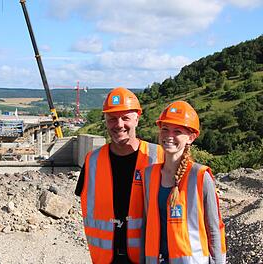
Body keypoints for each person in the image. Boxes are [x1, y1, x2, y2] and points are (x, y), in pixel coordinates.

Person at [75, 87, 164, 264]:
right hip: (106, 258)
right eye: (112, 119)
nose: (119, 124)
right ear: (106, 121)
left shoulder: (158, 157)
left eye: (125, 118)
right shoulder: (92, 161)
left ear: (137, 119)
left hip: (148, 256)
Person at [143, 101, 226, 263]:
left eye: (177, 131)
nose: (169, 136)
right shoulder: (149, 175)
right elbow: (148, 225)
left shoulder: (201, 176)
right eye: (165, 129)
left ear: (191, 137)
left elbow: (214, 230)